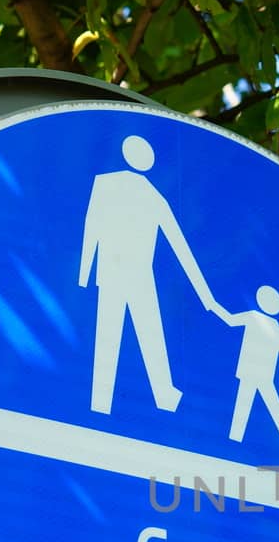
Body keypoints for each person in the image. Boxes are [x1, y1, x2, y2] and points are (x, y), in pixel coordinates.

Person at [78, 135, 224, 415]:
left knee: (115, 334)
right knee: (147, 334)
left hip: (117, 274)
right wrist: (207, 298)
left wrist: (85, 273)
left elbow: (91, 227)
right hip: (135, 276)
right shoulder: (152, 196)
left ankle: (105, 399)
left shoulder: (112, 185)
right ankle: (159, 395)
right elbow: (183, 251)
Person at [213, 285, 279, 442]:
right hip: (257, 369)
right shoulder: (264, 321)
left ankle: (240, 433)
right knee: (255, 399)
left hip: (258, 369)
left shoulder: (261, 320)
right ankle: (239, 433)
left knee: (258, 400)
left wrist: (215, 306)